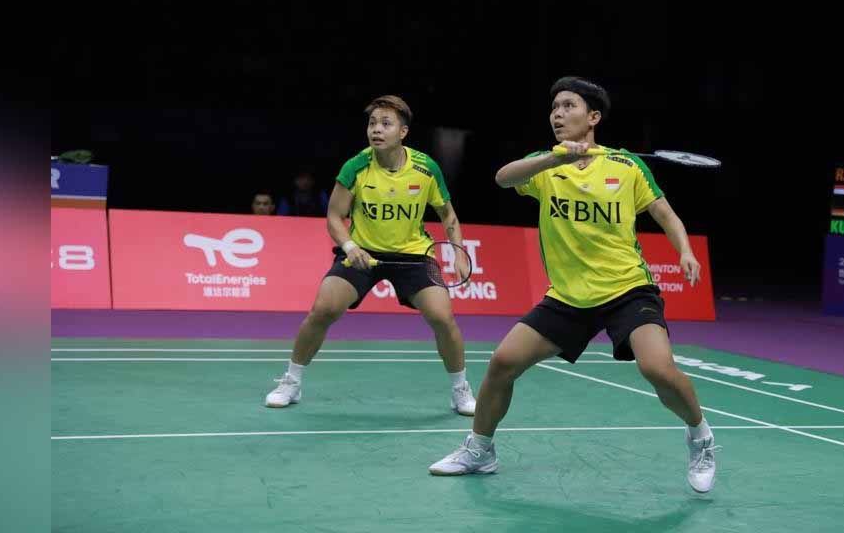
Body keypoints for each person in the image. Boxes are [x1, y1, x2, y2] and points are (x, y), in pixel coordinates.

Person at [428, 77, 719, 492]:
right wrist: (553, 159)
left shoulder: (626, 166)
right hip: (567, 296)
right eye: (554, 108)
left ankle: (701, 437)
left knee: (657, 368)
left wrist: (685, 251)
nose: (558, 114)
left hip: (627, 288)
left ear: (593, 117)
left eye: (568, 106)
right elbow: (503, 178)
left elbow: (665, 214)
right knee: (502, 363)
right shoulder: (547, 165)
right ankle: (480, 450)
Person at [264, 95, 477, 416]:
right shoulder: (356, 166)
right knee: (323, 310)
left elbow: (448, 215)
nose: (376, 129)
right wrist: (350, 247)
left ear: (403, 132)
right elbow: (334, 217)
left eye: (385, 124)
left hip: (413, 255)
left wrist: (459, 253)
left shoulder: (425, 168)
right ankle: (291, 381)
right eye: (372, 123)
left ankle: (460, 389)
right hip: (363, 252)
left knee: (442, 318)